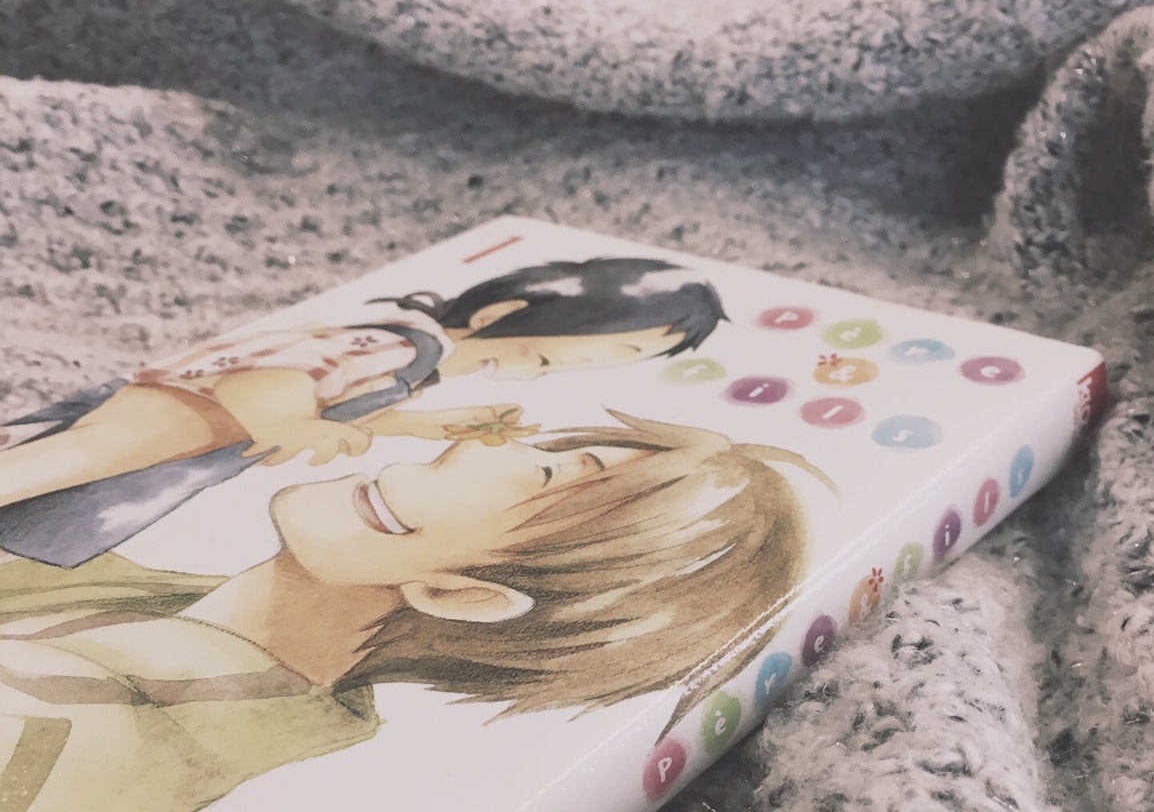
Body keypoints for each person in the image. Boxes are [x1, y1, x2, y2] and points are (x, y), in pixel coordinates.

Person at [0, 411, 825, 812]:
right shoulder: (121, 597)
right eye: (540, 447)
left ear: (462, 595)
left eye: (544, 473)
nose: (471, 447)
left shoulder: (81, 732)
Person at [0, 257, 727, 565]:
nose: (554, 372)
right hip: (184, 410)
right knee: (67, 462)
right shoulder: (400, 342)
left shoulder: (422, 367)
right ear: (503, 313)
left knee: (74, 489)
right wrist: (291, 424)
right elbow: (273, 379)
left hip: (204, 440)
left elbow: (344, 406)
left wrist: (421, 425)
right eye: (544, 359)